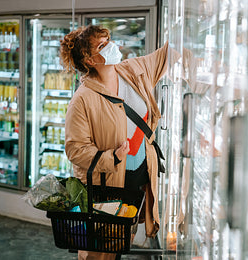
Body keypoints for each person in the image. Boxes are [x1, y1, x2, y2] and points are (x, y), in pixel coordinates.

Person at [59, 24, 170, 260]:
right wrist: (113, 157)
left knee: (119, 246)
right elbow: (75, 149)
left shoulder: (132, 71)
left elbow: (166, 57)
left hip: (135, 187)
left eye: (108, 40)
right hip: (107, 191)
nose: (110, 47)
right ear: (89, 60)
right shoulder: (82, 100)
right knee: (100, 252)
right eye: (101, 46)